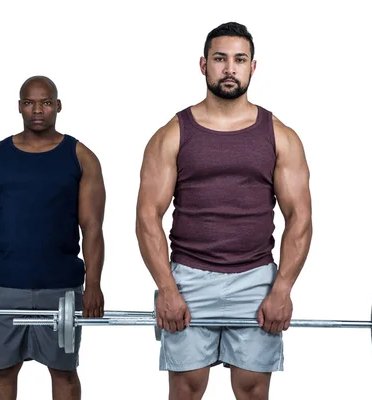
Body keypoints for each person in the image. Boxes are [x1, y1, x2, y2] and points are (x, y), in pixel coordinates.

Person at [135, 22, 313, 400]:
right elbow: (147, 217)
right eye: (220, 59)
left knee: (251, 392)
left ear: (252, 67)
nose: (229, 68)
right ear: (203, 65)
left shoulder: (280, 136)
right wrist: (166, 288)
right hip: (189, 278)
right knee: (185, 390)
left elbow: (300, 218)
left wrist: (282, 288)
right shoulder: (172, 134)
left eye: (239, 59)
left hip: (255, 279)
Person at [0, 75, 106, 400]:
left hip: (62, 288)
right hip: (5, 284)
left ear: (58, 106)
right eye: (29, 102)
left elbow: (92, 227)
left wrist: (93, 285)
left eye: (45, 102)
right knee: (3, 370)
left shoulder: (81, 157)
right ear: (19, 106)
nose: (37, 109)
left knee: (64, 372)